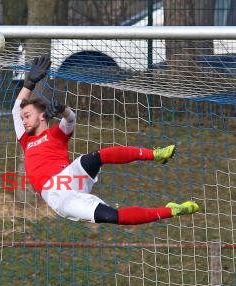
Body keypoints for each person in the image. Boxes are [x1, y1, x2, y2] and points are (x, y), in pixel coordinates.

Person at [12, 55, 199, 225]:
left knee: (93, 158)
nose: (24, 120)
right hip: (57, 196)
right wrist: (29, 82)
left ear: (43, 115)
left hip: (71, 176)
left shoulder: (56, 134)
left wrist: (62, 108)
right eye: (23, 118)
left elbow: (70, 119)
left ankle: (155, 154)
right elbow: (15, 111)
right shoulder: (26, 141)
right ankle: (171, 210)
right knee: (111, 216)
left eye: (27, 115)